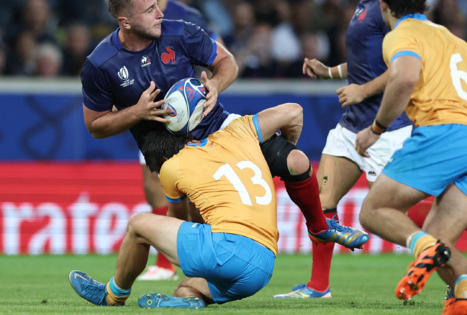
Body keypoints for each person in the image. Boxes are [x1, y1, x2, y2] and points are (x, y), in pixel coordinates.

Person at [275, 0, 467, 300]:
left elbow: (402, 71)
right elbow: (368, 61)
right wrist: (330, 72)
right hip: (352, 126)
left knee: (398, 212)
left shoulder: (397, 19)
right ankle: (318, 286)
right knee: (323, 202)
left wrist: (361, 93)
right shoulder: (365, 7)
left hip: (387, 128)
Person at [80, 0, 342, 282]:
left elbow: (227, 62)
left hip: (221, 128)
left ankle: (319, 226)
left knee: (297, 162)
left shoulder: (180, 31)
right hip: (174, 150)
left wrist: (216, 85)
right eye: (149, 10)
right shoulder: (100, 65)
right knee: (198, 218)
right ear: (124, 21)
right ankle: (203, 279)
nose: (160, 13)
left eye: (157, 5)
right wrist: (136, 112)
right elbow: (96, 126)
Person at [355, 0, 467, 313]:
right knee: (441, 242)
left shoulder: (401, 35)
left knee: (374, 210)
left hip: (444, 134)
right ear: (423, 3)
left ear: (382, 3)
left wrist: (375, 129)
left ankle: (424, 248)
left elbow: (405, 77)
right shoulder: (452, 38)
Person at [68, 103, 303, 308]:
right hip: (262, 267)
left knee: (138, 225)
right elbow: (294, 111)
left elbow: (177, 223)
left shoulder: (173, 166)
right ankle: (187, 303)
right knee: (186, 288)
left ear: (162, 161)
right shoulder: (237, 132)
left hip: (228, 250)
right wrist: (289, 146)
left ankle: (112, 296)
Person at [131, 0, 223, 280]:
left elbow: (217, 52)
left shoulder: (187, 17)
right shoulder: (134, 20)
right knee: (153, 183)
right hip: (151, 112)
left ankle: (200, 257)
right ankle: (165, 262)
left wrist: (208, 85)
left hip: (188, 115)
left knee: (192, 190)